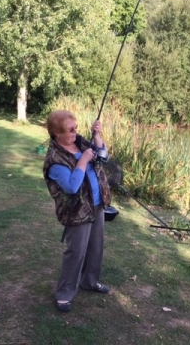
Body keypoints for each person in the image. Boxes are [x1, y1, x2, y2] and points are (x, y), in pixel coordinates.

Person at [43, 110, 111, 312]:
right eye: (70, 130)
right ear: (56, 133)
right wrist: (83, 160)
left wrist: (97, 136)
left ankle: (89, 281)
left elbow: (102, 158)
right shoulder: (55, 159)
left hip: (96, 204)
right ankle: (64, 293)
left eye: (76, 128)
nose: (74, 132)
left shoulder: (81, 143)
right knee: (76, 252)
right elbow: (72, 187)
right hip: (77, 211)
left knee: (96, 246)